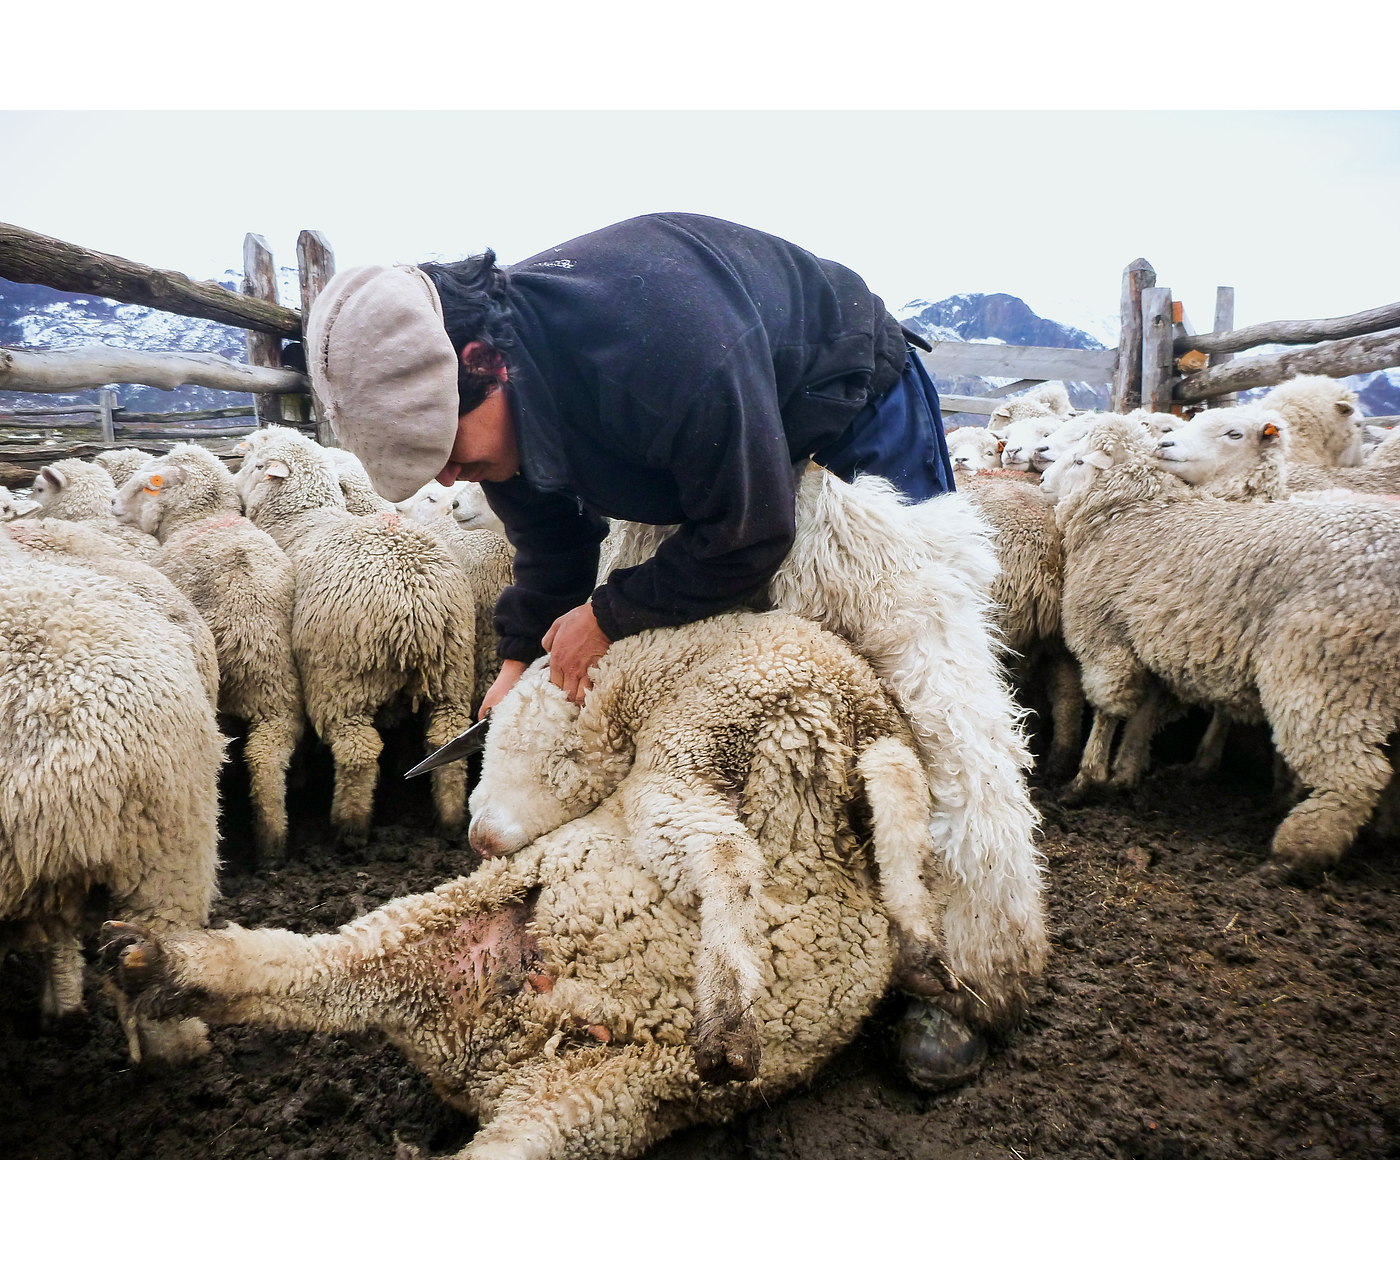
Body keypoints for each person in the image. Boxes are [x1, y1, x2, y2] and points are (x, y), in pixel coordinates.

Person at [306, 213, 978, 1089]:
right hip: (713, 456)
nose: (447, 480)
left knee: (915, 674)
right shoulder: (509, 404)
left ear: (483, 364)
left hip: (848, 406)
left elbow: (750, 529)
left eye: (450, 453)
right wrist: (517, 660)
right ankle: (794, 934)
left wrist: (611, 612)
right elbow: (550, 538)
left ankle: (959, 965)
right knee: (725, 694)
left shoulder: (660, 352)